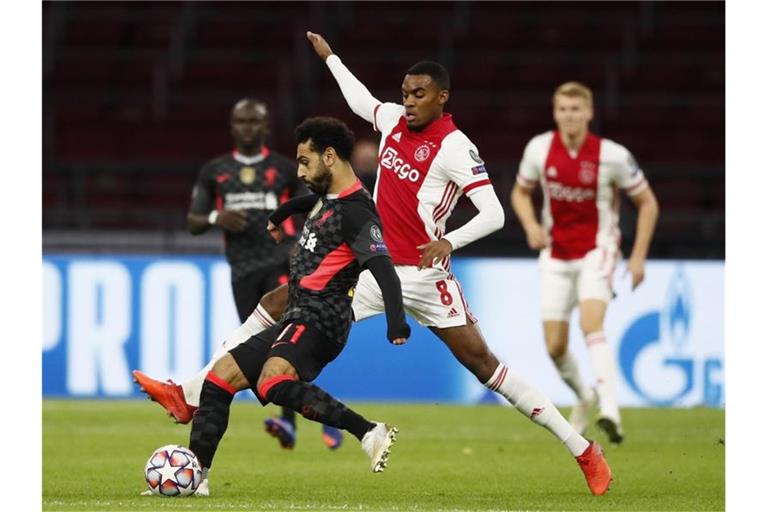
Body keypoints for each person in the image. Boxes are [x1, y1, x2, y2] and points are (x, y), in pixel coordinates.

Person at [135, 33, 613, 496]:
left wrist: (448, 241)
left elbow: (494, 213)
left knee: (484, 364)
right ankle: (191, 391)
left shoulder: (455, 147)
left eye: (419, 94)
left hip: (425, 277)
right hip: (372, 269)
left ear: (442, 97)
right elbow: (361, 100)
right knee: (280, 299)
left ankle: (583, 450)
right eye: (405, 93)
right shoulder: (393, 124)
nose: (408, 101)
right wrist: (331, 59)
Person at [187, 116, 410, 495]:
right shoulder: (331, 196)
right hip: (297, 314)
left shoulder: (358, 213)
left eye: (305, 161)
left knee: (273, 381)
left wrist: (397, 323)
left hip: (323, 317)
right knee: (219, 379)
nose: (300, 170)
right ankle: (196, 479)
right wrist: (283, 213)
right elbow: (313, 200)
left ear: (329, 157)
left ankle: (368, 431)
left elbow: (384, 269)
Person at [132, 98, 343, 450]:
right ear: (232, 127)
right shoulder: (215, 171)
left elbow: (319, 208)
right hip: (241, 270)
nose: (247, 128)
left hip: (282, 266)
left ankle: (288, 418)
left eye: (254, 122)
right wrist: (218, 218)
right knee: (260, 351)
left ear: (265, 127)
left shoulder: (285, 168)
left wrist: (303, 244)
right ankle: (322, 417)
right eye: (241, 122)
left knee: (282, 338)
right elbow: (192, 221)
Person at [511, 81, 660, 445]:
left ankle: (610, 409)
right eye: (563, 109)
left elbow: (648, 203)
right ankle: (585, 396)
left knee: (592, 325)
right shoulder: (539, 149)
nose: (569, 116)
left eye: (576, 109)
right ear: (555, 112)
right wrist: (531, 225)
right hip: (556, 255)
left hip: (598, 249)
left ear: (590, 113)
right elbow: (519, 192)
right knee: (555, 347)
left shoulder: (612, 155)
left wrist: (637, 257)